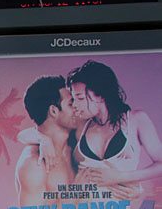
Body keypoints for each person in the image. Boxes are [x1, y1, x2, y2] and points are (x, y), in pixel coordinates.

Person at [67, 60, 162, 198]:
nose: (74, 105)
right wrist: (45, 140)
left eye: (79, 98)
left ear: (101, 95)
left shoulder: (135, 120)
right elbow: (41, 129)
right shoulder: (80, 126)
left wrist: (122, 177)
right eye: (73, 99)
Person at [16, 76, 80, 209]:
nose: (77, 107)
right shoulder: (34, 165)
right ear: (53, 111)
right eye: (71, 103)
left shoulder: (75, 143)